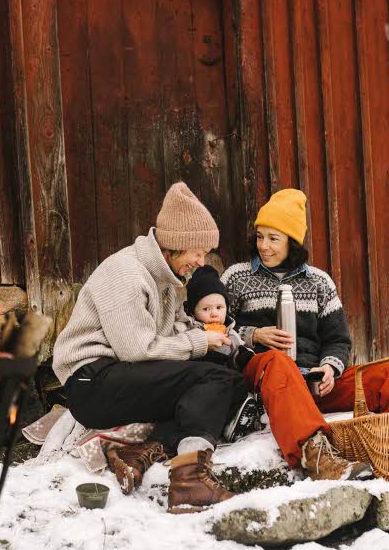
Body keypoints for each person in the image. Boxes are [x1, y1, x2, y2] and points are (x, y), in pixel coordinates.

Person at [52, 182, 245, 512]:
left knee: (226, 378)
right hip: (92, 382)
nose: (201, 261)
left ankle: (139, 453)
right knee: (213, 380)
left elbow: (173, 333)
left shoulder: (166, 282)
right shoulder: (125, 272)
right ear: (176, 245)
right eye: (198, 252)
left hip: (121, 376)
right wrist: (199, 342)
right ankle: (189, 482)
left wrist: (221, 339)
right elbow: (136, 350)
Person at [221, 189, 389, 481]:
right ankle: (319, 461)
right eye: (260, 236)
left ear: (293, 242)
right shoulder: (236, 277)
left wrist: (329, 368)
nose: (263, 246)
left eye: (273, 238)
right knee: (279, 362)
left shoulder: (319, 282)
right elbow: (215, 328)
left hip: (311, 384)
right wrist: (254, 334)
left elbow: (338, 339)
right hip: (264, 381)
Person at [184, 265, 260, 441]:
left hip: (228, 376)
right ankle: (223, 425)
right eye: (206, 309)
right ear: (193, 311)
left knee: (238, 385)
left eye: (219, 307)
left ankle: (239, 418)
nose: (214, 314)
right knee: (213, 398)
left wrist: (244, 355)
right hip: (203, 377)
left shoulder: (229, 331)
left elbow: (237, 349)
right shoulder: (191, 330)